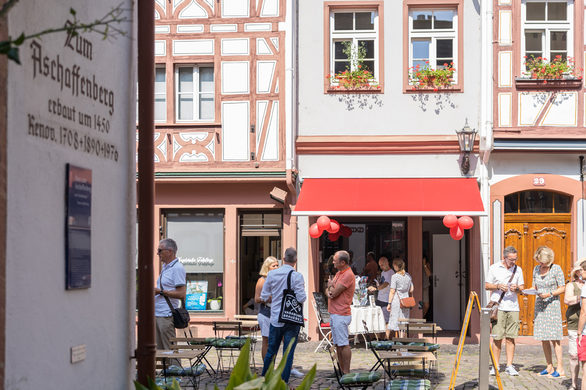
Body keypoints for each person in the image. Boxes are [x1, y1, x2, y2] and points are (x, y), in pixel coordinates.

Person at [260, 248, 306, 383]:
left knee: (271, 351)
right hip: (292, 319)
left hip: (275, 318)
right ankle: (283, 381)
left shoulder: (272, 274)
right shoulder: (298, 276)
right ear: (295, 261)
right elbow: (302, 298)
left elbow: (263, 296)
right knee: (288, 352)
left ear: (283, 259)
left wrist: (275, 297)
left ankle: (266, 379)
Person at [485, 246, 524, 376]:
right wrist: (497, 286)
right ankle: (495, 366)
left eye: (515, 259)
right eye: (511, 259)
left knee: (511, 338)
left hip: (513, 307)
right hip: (498, 307)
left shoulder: (518, 270)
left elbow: (522, 289)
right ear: (505, 257)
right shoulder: (494, 268)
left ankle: (509, 365)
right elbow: (486, 285)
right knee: (497, 337)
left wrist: (517, 288)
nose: (513, 262)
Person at [530, 246, 565, 377]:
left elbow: (562, 287)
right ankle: (549, 366)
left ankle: (560, 368)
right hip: (540, 305)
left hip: (552, 306)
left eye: (543, 261)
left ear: (549, 259)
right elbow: (535, 286)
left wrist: (550, 293)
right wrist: (529, 291)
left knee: (555, 338)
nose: (541, 263)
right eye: (539, 260)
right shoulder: (536, 269)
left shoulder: (556, 269)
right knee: (543, 337)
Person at [154, 238, 186, 366]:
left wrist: (160, 292)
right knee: (160, 350)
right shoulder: (166, 267)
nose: (158, 253)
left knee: (170, 349)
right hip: (158, 314)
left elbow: (181, 294)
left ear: (170, 251)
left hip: (166, 315)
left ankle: (176, 377)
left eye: (160, 250)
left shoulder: (177, 268)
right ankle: (165, 377)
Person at [327, 250, 356, 374]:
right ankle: (341, 370)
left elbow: (333, 293)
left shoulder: (348, 275)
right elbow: (329, 291)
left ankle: (346, 371)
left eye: (335, 260)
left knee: (343, 344)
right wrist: (329, 289)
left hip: (341, 313)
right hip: (335, 313)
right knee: (338, 343)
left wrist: (330, 288)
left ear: (343, 262)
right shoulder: (339, 273)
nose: (333, 262)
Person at [565, 261, 586, 390]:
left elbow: (583, 310)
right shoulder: (572, 285)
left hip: (583, 328)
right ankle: (574, 383)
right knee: (574, 355)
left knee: (583, 359)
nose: (580, 273)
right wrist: (581, 297)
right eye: (578, 271)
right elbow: (567, 300)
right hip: (575, 324)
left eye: (581, 270)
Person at [255, 256, 279, 361]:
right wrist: (268, 298)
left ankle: (272, 363)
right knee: (266, 340)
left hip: (276, 312)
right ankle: (267, 365)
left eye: (278, 265)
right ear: (267, 267)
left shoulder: (277, 279)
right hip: (265, 313)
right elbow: (257, 298)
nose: (277, 267)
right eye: (274, 266)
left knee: (275, 340)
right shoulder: (262, 280)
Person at [367, 256, 394, 339]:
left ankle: (386, 338)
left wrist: (376, 288)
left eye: (382, 265)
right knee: (378, 318)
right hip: (380, 298)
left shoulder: (391, 272)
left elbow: (386, 284)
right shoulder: (383, 272)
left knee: (386, 320)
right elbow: (382, 283)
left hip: (386, 299)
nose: (381, 267)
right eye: (380, 265)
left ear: (387, 263)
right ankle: (378, 337)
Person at [386, 258, 413, 338]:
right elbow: (411, 289)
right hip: (406, 301)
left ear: (395, 266)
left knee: (396, 322)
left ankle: (398, 343)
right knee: (403, 322)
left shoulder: (395, 277)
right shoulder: (408, 276)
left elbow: (392, 291)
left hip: (397, 301)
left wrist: (389, 303)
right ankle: (402, 340)